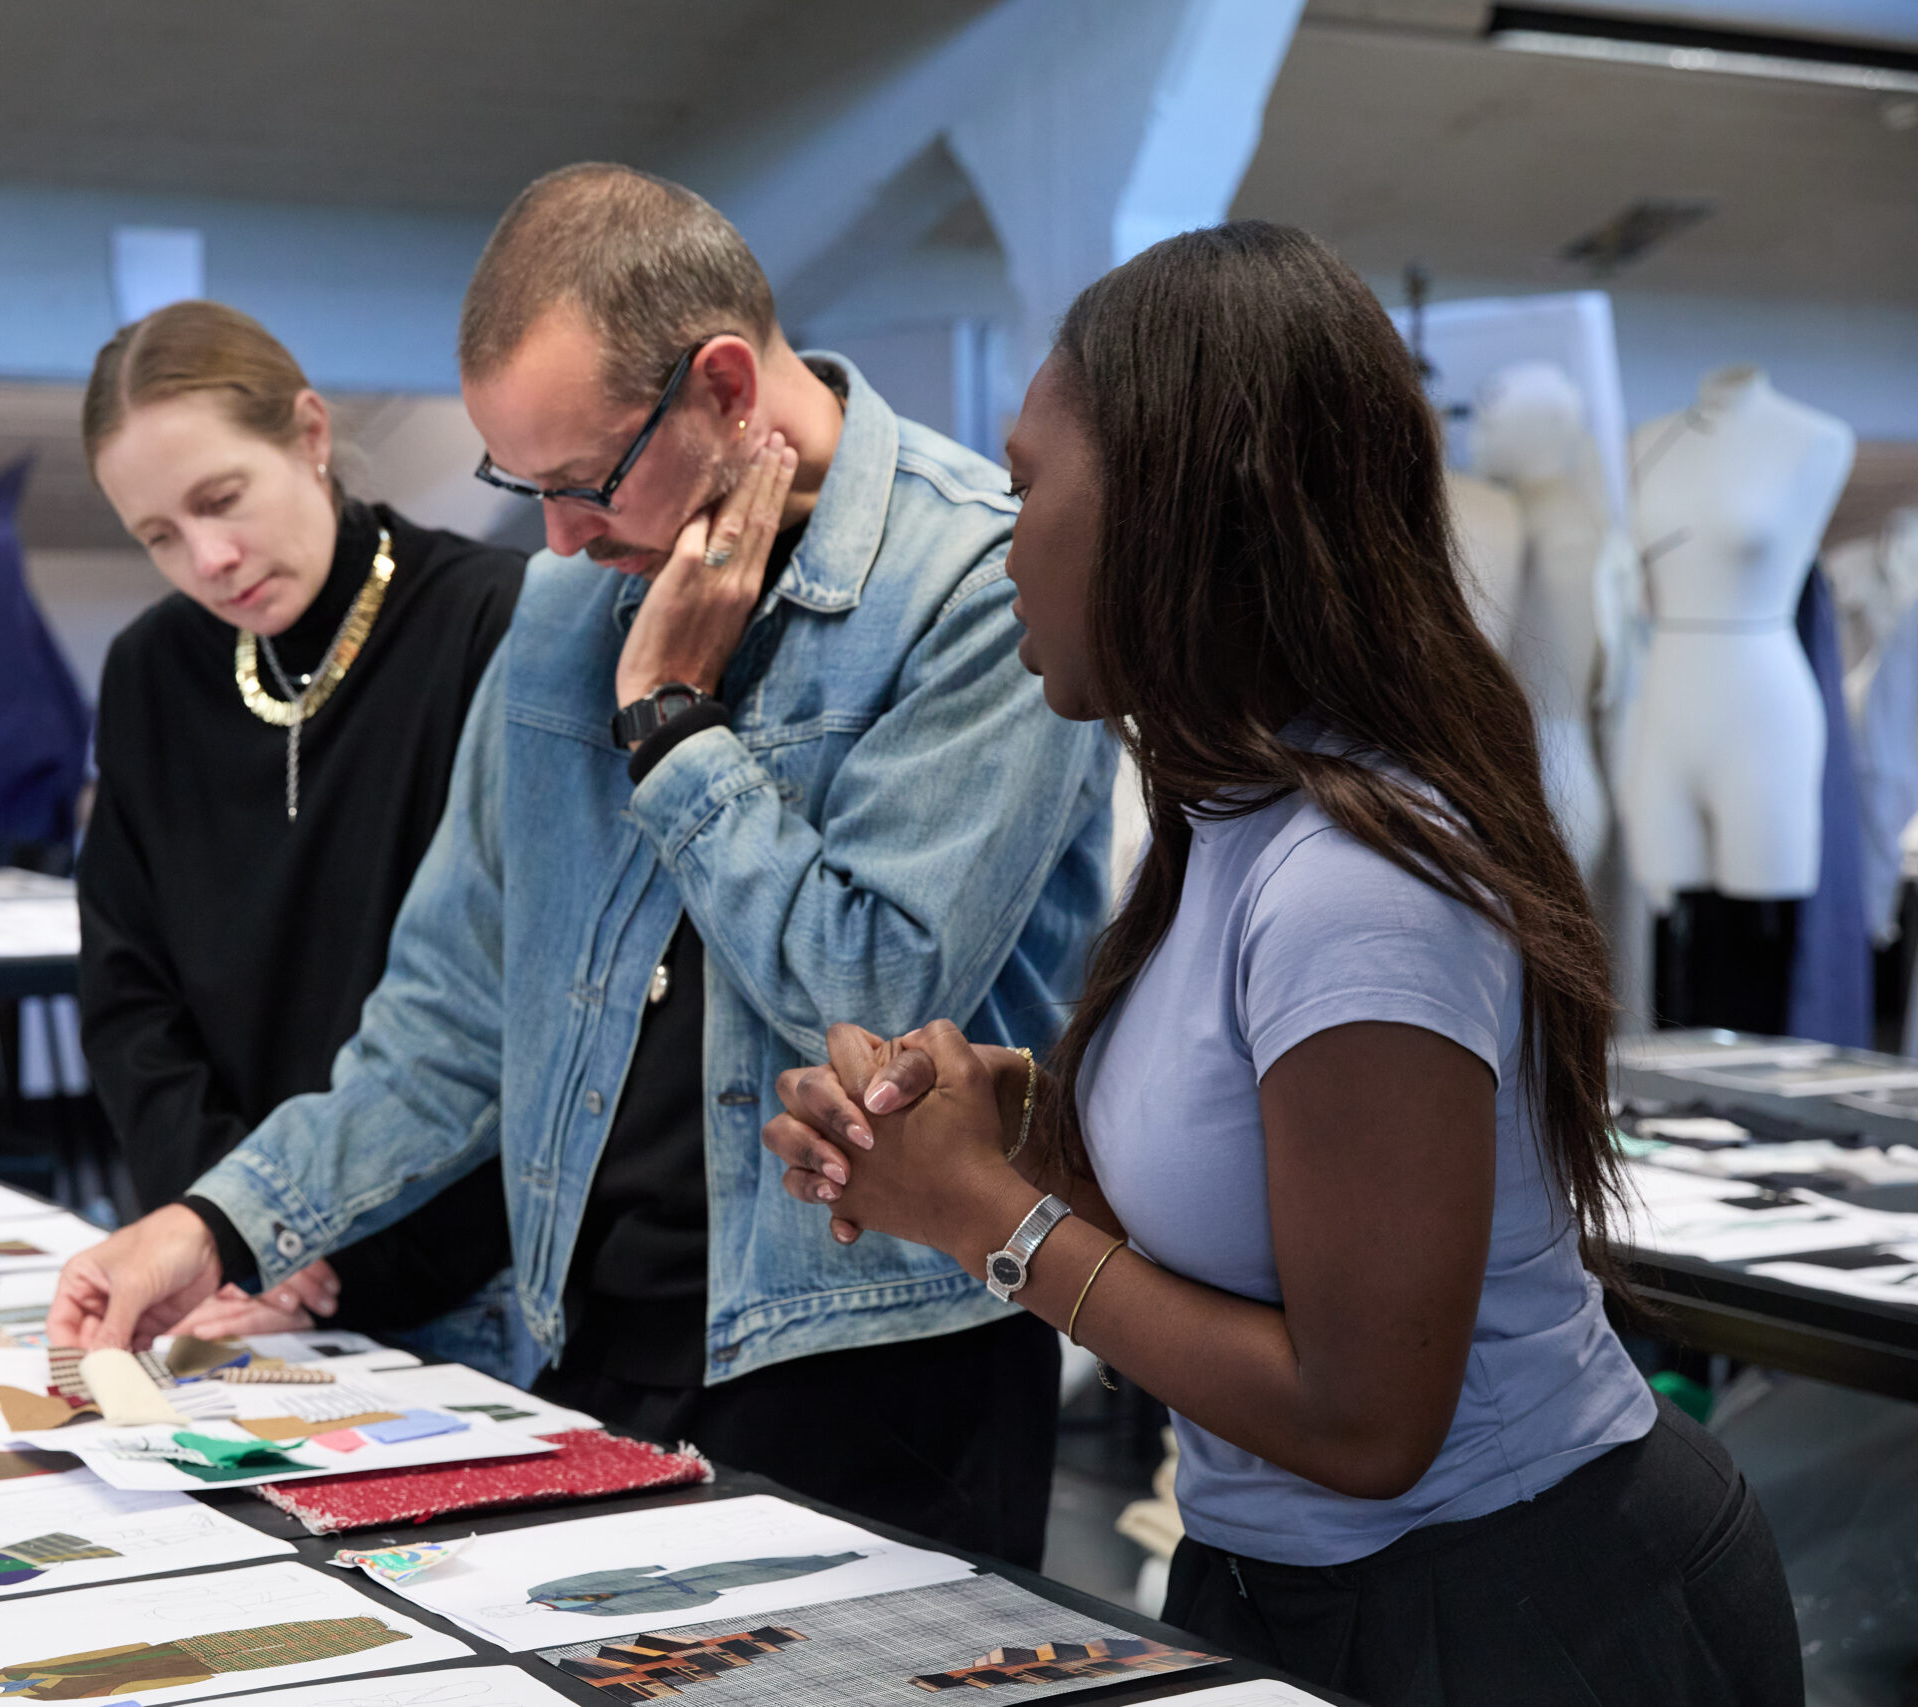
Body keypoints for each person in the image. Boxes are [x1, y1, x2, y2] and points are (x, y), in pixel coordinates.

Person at [763, 222, 1800, 1702]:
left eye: (1029, 485)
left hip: (1520, 1608)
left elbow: (1366, 1421)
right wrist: (1006, 1126)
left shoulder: (1356, 883)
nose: (1006, 543)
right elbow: (1241, 1207)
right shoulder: (1233, 816)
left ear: (1179, 508)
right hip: (1301, 1585)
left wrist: (986, 1216)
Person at [51, 164, 1115, 1565]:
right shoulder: (572, 601)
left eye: (582, 480)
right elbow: (452, 1012)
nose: (554, 537)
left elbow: (870, 1000)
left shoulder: (975, 583)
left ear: (723, 385)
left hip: (877, 1358)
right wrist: (219, 1222)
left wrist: (671, 723)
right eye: (523, 486)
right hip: (590, 1341)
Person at [75, 299, 525, 1367]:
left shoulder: (489, 622)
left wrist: (296, 1231)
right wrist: (239, 1225)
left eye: (221, 498)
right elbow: (129, 993)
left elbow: (501, 1001)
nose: (209, 558)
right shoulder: (151, 671)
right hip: (226, 1278)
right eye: (159, 536)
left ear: (310, 434)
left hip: (458, 1274)